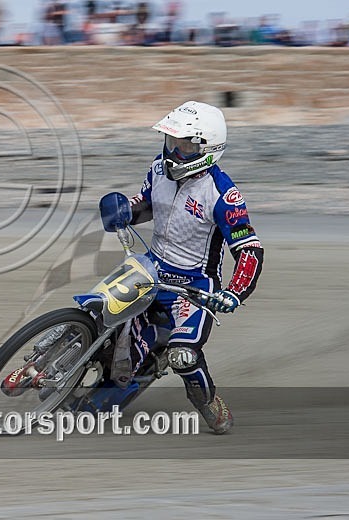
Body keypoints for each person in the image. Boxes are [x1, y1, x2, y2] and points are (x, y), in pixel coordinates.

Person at [123, 101, 264, 434]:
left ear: (207, 148)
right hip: (150, 268)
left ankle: (209, 403)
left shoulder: (223, 194)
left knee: (183, 356)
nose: (174, 152)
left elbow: (249, 250)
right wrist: (124, 211)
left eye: (184, 145)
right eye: (172, 142)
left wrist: (234, 293)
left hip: (194, 288)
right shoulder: (159, 168)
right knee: (100, 307)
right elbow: (145, 206)